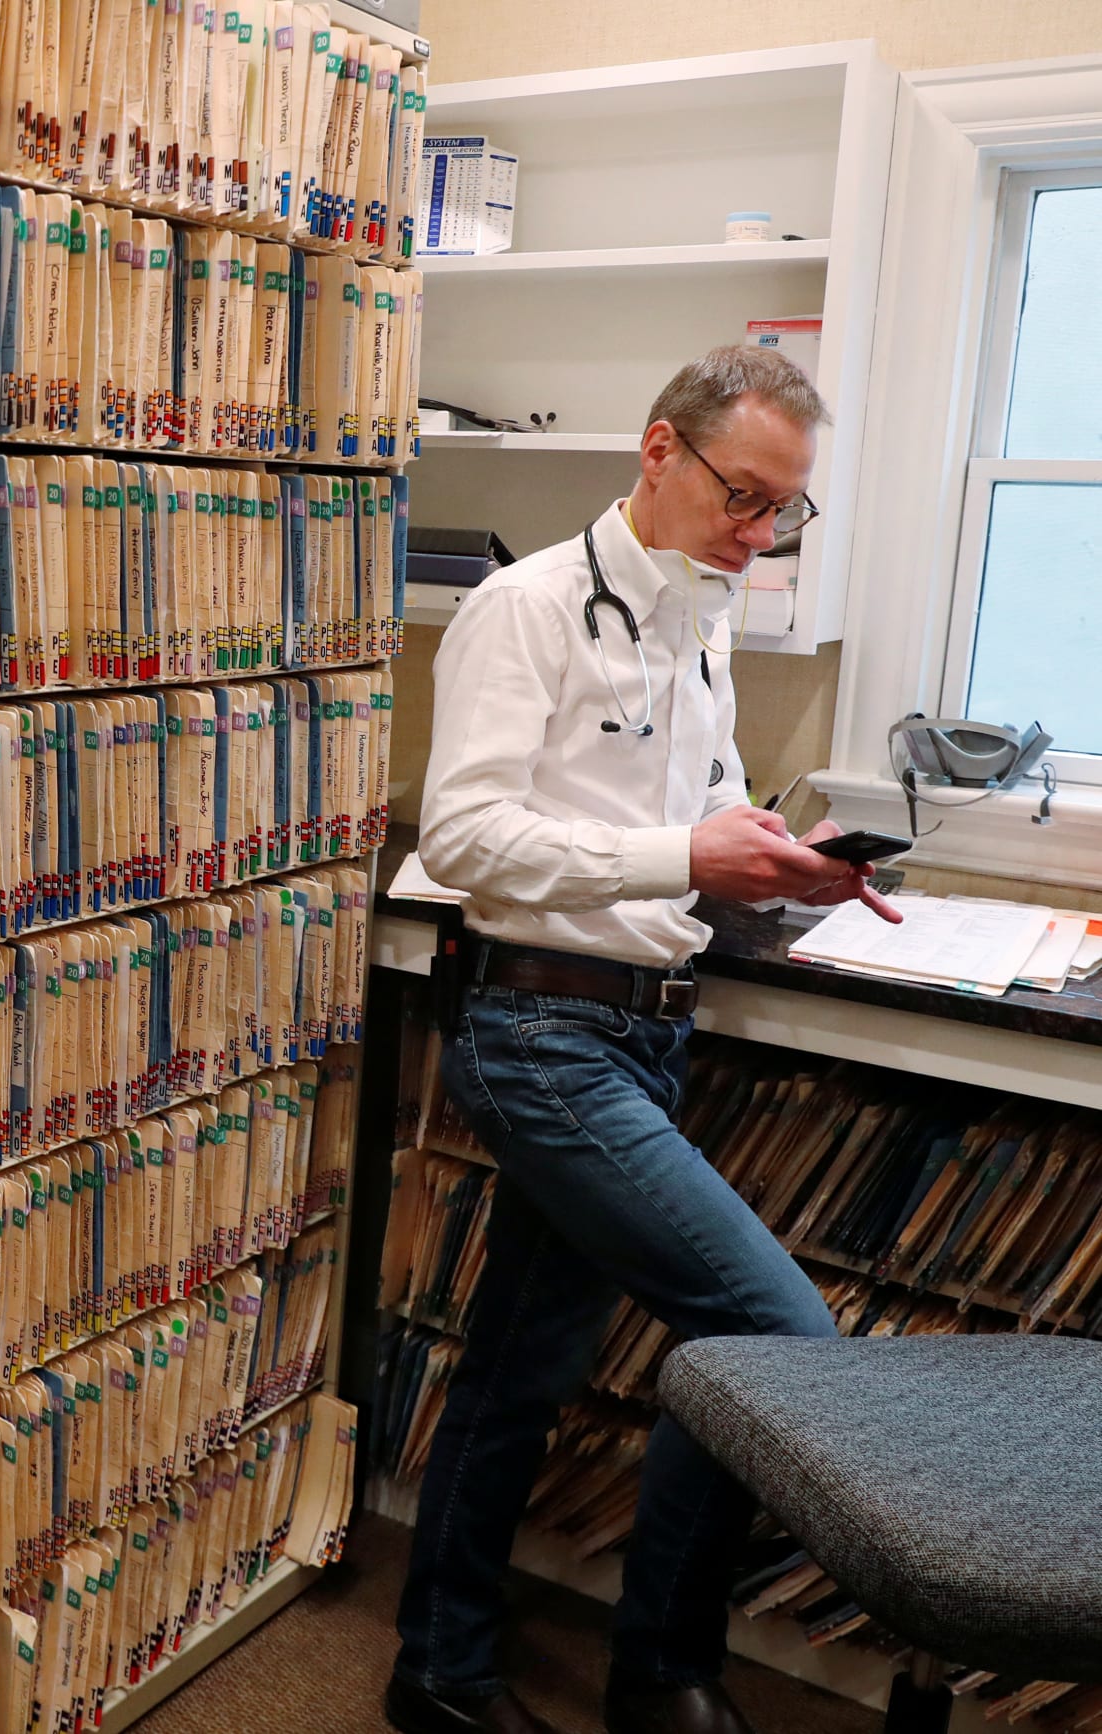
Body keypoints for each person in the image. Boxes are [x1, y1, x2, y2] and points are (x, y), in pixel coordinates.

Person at [388, 348, 899, 1734]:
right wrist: (682, 847)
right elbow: (465, 835)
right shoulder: (529, 604)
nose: (759, 534)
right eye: (745, 497)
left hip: (644, 1033)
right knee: (774, 1335)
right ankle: (661, 1672)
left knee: (517, 1365)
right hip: (541, 1028)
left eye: (786, 512)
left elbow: (698, 806)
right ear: (659, 450)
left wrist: (777, 862)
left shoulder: (700, 615)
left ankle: (438, 1667)